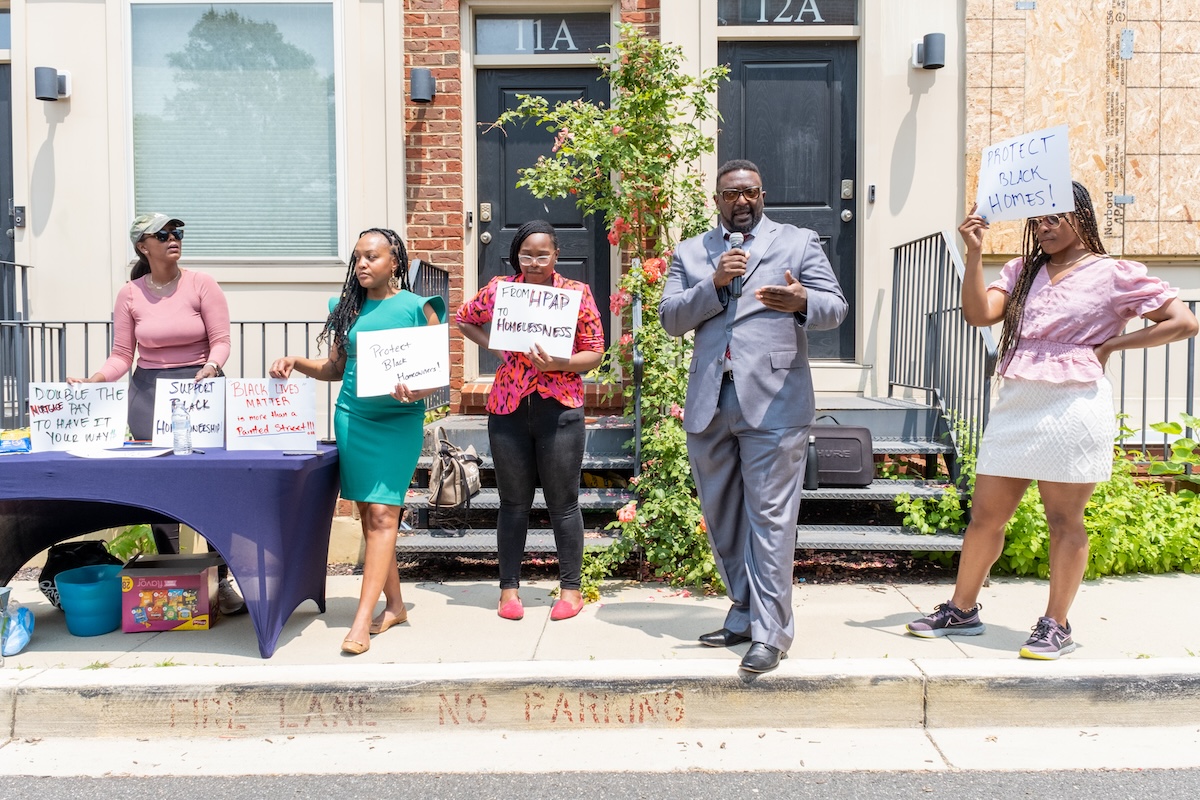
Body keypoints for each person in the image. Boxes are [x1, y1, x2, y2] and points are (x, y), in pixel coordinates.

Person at [906, 182, 1199, 659]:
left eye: (1053, 218)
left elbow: (1184, 322)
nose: (1043, 228)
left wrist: (1108, 346)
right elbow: (979, 315)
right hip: (1017, 402)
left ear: (1082, 217)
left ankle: (1055, 623)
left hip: (1074, 407)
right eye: (1037, 221)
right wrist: (975, 254)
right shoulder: (1023, 270)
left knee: (1064, 519)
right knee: (985, 517)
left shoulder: (1113, 274)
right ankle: (961, 609)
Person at [659, 159, 848, 673]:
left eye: (750, 192)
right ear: (717, 200)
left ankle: (771, 632)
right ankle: (743, 611)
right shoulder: (692, 251)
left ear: (762, 195)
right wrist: (714, 285)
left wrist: (800, 300)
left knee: (770, 518)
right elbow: (671, 318)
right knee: (723, 517)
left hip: (775, 401)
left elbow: (835, 307)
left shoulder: (798, 241)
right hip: (709, 402)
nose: (741, 201)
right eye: (730, 194)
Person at [269, 228, 445, 655]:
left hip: (398, 422)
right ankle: (396, 605)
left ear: (395, 262)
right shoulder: (345, 308)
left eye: (372, 257)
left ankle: (362, 620)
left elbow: (436, 377)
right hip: (353, 417)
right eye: (357, 258)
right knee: (371, 515)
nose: (363, 265)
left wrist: (417, 391)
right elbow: (334, 369)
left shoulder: (418, 308)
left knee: (384, 513)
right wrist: (296, 361)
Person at [69, 212, 244, 615]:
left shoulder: (202, 284)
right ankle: (178, 583)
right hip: (148, 393)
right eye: (162, 234)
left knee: (213, 487)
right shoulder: (129, 293)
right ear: (143, 247)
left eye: (177, 232)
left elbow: (221, 341)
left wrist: (212, 367)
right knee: (164, 491)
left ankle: (224, 579)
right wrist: (95, 381)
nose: (173, 238)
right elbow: (121, 356)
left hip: (200, 388)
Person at [456, 220, 605, 622]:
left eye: (543, 255)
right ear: (517, 255)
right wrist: (496, 345)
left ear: (556, 254)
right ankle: (508, 591)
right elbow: (464, 317)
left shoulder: (576, 294)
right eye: (527, 255)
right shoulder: (502, 291)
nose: (535, 262)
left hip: (560, 407)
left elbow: (595, 351)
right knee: (513, 503)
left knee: (563, 502)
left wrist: (561, 362)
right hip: (508, 406)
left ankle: (571, 590)